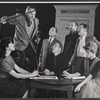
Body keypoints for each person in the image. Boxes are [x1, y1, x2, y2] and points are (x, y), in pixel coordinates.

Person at [0, 6, 39, 72]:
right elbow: (7, 19)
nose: (33, 16)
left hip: (29, 43)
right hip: (19, 43)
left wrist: (36, 37)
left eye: (34, 14)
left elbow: (35, 31)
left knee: (33, 60)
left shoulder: (36, 20)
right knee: (22, 60)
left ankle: (30, 75)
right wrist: (3, 20)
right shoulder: (19, 17)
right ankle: (20, 77)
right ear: (26, 13)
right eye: (31, 14)